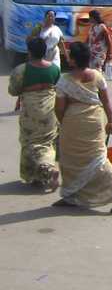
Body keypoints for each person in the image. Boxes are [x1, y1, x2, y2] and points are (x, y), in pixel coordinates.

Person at [53, 41, 112, 215]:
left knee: (70, 160)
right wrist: (110, 121)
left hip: (72, 123)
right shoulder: (97, 76)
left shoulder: (64, 81)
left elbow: (59, 108)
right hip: (94, 121)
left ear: (74, 60)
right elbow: (106, 101)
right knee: (99, 159)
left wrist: (64, 123)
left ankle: (71, 194)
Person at [8, 37, 61, 191]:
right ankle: (39, 176)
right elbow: (58, 86)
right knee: (47, 142)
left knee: (30, 143)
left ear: (29, 52)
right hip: (50, 111)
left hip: (31, 112)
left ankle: (49, 172)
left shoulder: (21, 70)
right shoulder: (54, 69)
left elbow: (13, 90)